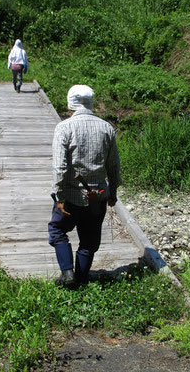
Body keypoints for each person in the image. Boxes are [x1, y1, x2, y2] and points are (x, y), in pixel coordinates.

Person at [48, 85, 121, 287]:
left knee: (57, 230)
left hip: (70, 196)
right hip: (97, 196)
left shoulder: (64, 127)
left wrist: (60, 196)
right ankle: (80, 279)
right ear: (92, 102)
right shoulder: (107, 128)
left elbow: (60, 167)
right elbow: (114, 166)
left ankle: (67, 273)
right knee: (89, 241)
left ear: (70, 103)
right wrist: (112, 192)